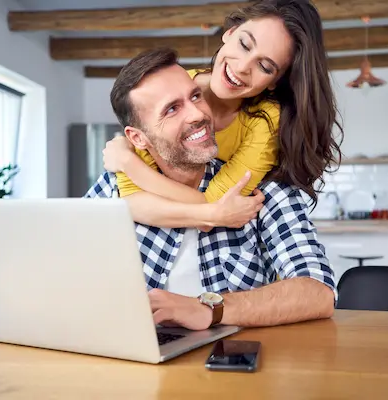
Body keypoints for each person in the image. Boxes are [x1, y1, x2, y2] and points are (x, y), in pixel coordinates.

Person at [85, 48, 335, 331]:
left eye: (195, 96)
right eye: (172, 109)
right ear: (138, 138)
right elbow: (64, 273)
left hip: (233, 365)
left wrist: (209, 309)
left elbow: (319, 293)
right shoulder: (111, 189)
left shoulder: (264, 191)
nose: (198, 114)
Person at [102, 0, 343, 230]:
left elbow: (217, 200)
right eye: (245, 44)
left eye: (265, 66)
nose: (241, 67)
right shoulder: (173, 84)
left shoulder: (265, 121)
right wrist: (212, 215)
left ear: (274, 82)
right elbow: (131, 201)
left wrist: (129, 164)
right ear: (230, 33)